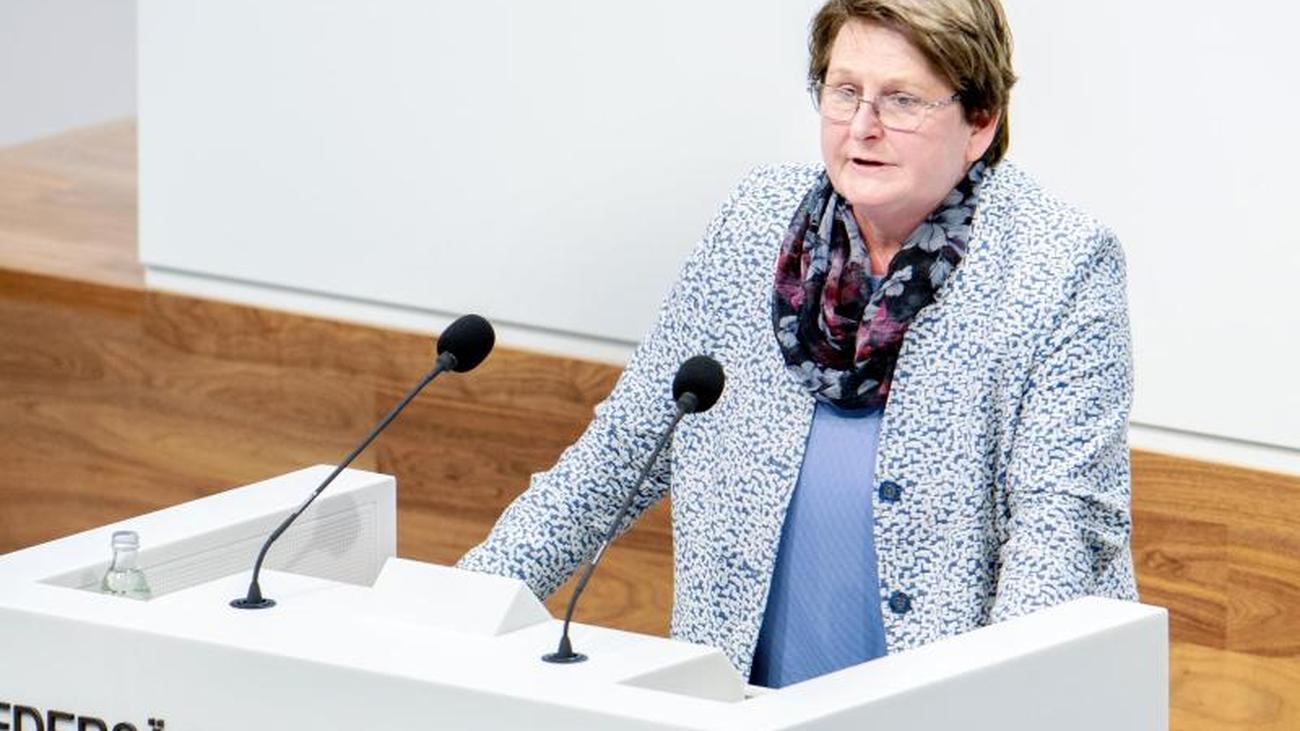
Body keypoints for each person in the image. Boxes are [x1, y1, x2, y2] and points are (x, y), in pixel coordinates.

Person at [459, 0, 1137, 688]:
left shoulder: (1060, 266)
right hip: (742, 704)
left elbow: (1060, 533)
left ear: (980, 121)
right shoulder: (755, 223)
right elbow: (621, 451)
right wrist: (459, 616)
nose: (863, 127)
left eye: (902, 100)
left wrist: (982, 709)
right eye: (845, 92)